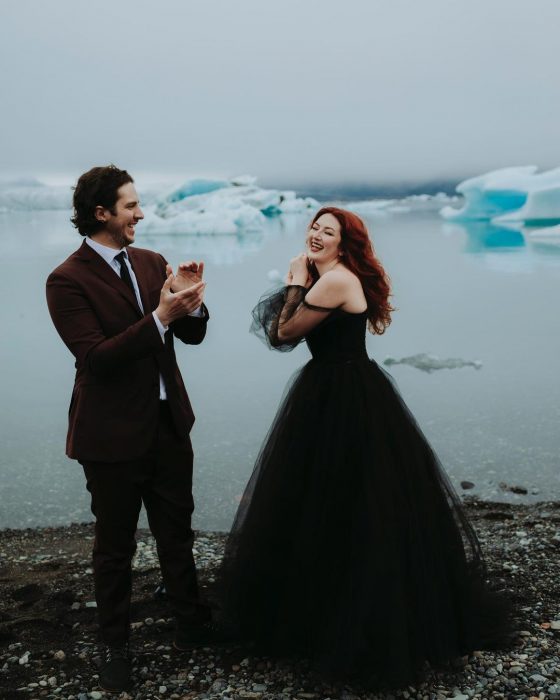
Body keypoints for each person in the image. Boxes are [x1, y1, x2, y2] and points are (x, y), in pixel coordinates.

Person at [218, 207, 513, 689]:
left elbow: (284, 334)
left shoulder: (335, 281)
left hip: (344, 394)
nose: (316, 234)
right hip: (335, 388)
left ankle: (355, 618)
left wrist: (295, 281)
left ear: (344, 243)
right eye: (314, 226)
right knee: (335, 500)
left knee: (346, 500)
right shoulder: (330, 276)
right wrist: (302, 278)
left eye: (327, 231)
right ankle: (325, 609)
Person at [46, 165, 213, 693]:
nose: (141, 213)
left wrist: (191, 301)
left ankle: (192, 626)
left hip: (168, 424)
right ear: (103, 214)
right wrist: (162, 317)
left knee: (177, 530)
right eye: (131, 205)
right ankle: (114, 644)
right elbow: (96, 358)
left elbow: (191, 337)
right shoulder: (66, 280)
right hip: (111, 434)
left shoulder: (150, 261)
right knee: (114, 545)